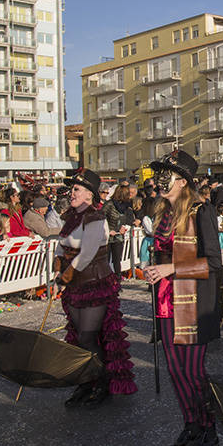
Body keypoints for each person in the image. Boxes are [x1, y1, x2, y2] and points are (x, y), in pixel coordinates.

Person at [144, 151, 223, 446]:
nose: (160, 181)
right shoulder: (164, 212)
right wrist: (156, 266)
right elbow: (164, 253)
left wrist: (170, 268)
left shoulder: (201, 211)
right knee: (176, 371)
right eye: (159, 175)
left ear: (183, 181)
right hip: (166, 302)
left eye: (167, 175)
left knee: (192, 373)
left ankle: (209, 430)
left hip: (193, 304)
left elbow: (214, 263)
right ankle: (191, 425)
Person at [54, 169, 136, 408]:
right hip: (75, 285)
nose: (72, 193)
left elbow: (88, 253)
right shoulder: (71, 217)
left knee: (88, 336)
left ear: (89, 195)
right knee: (79, 337)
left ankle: (101, 383)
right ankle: (86, 382)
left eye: (76, 189)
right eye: (72, 189)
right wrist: (59, 263)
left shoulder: (95, 218)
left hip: (93, 283)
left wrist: (66, 274)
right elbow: (62, 244)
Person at [102, 184, 135, 277]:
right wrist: (108, 230)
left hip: (119, 236)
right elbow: (100, 218)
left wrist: (125, 227)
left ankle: (117, 280)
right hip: (107, 236)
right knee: (106, 260)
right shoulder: (109, 204)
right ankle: (105, 280)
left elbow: (129, 219)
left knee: (117, 260)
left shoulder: (127, 206)